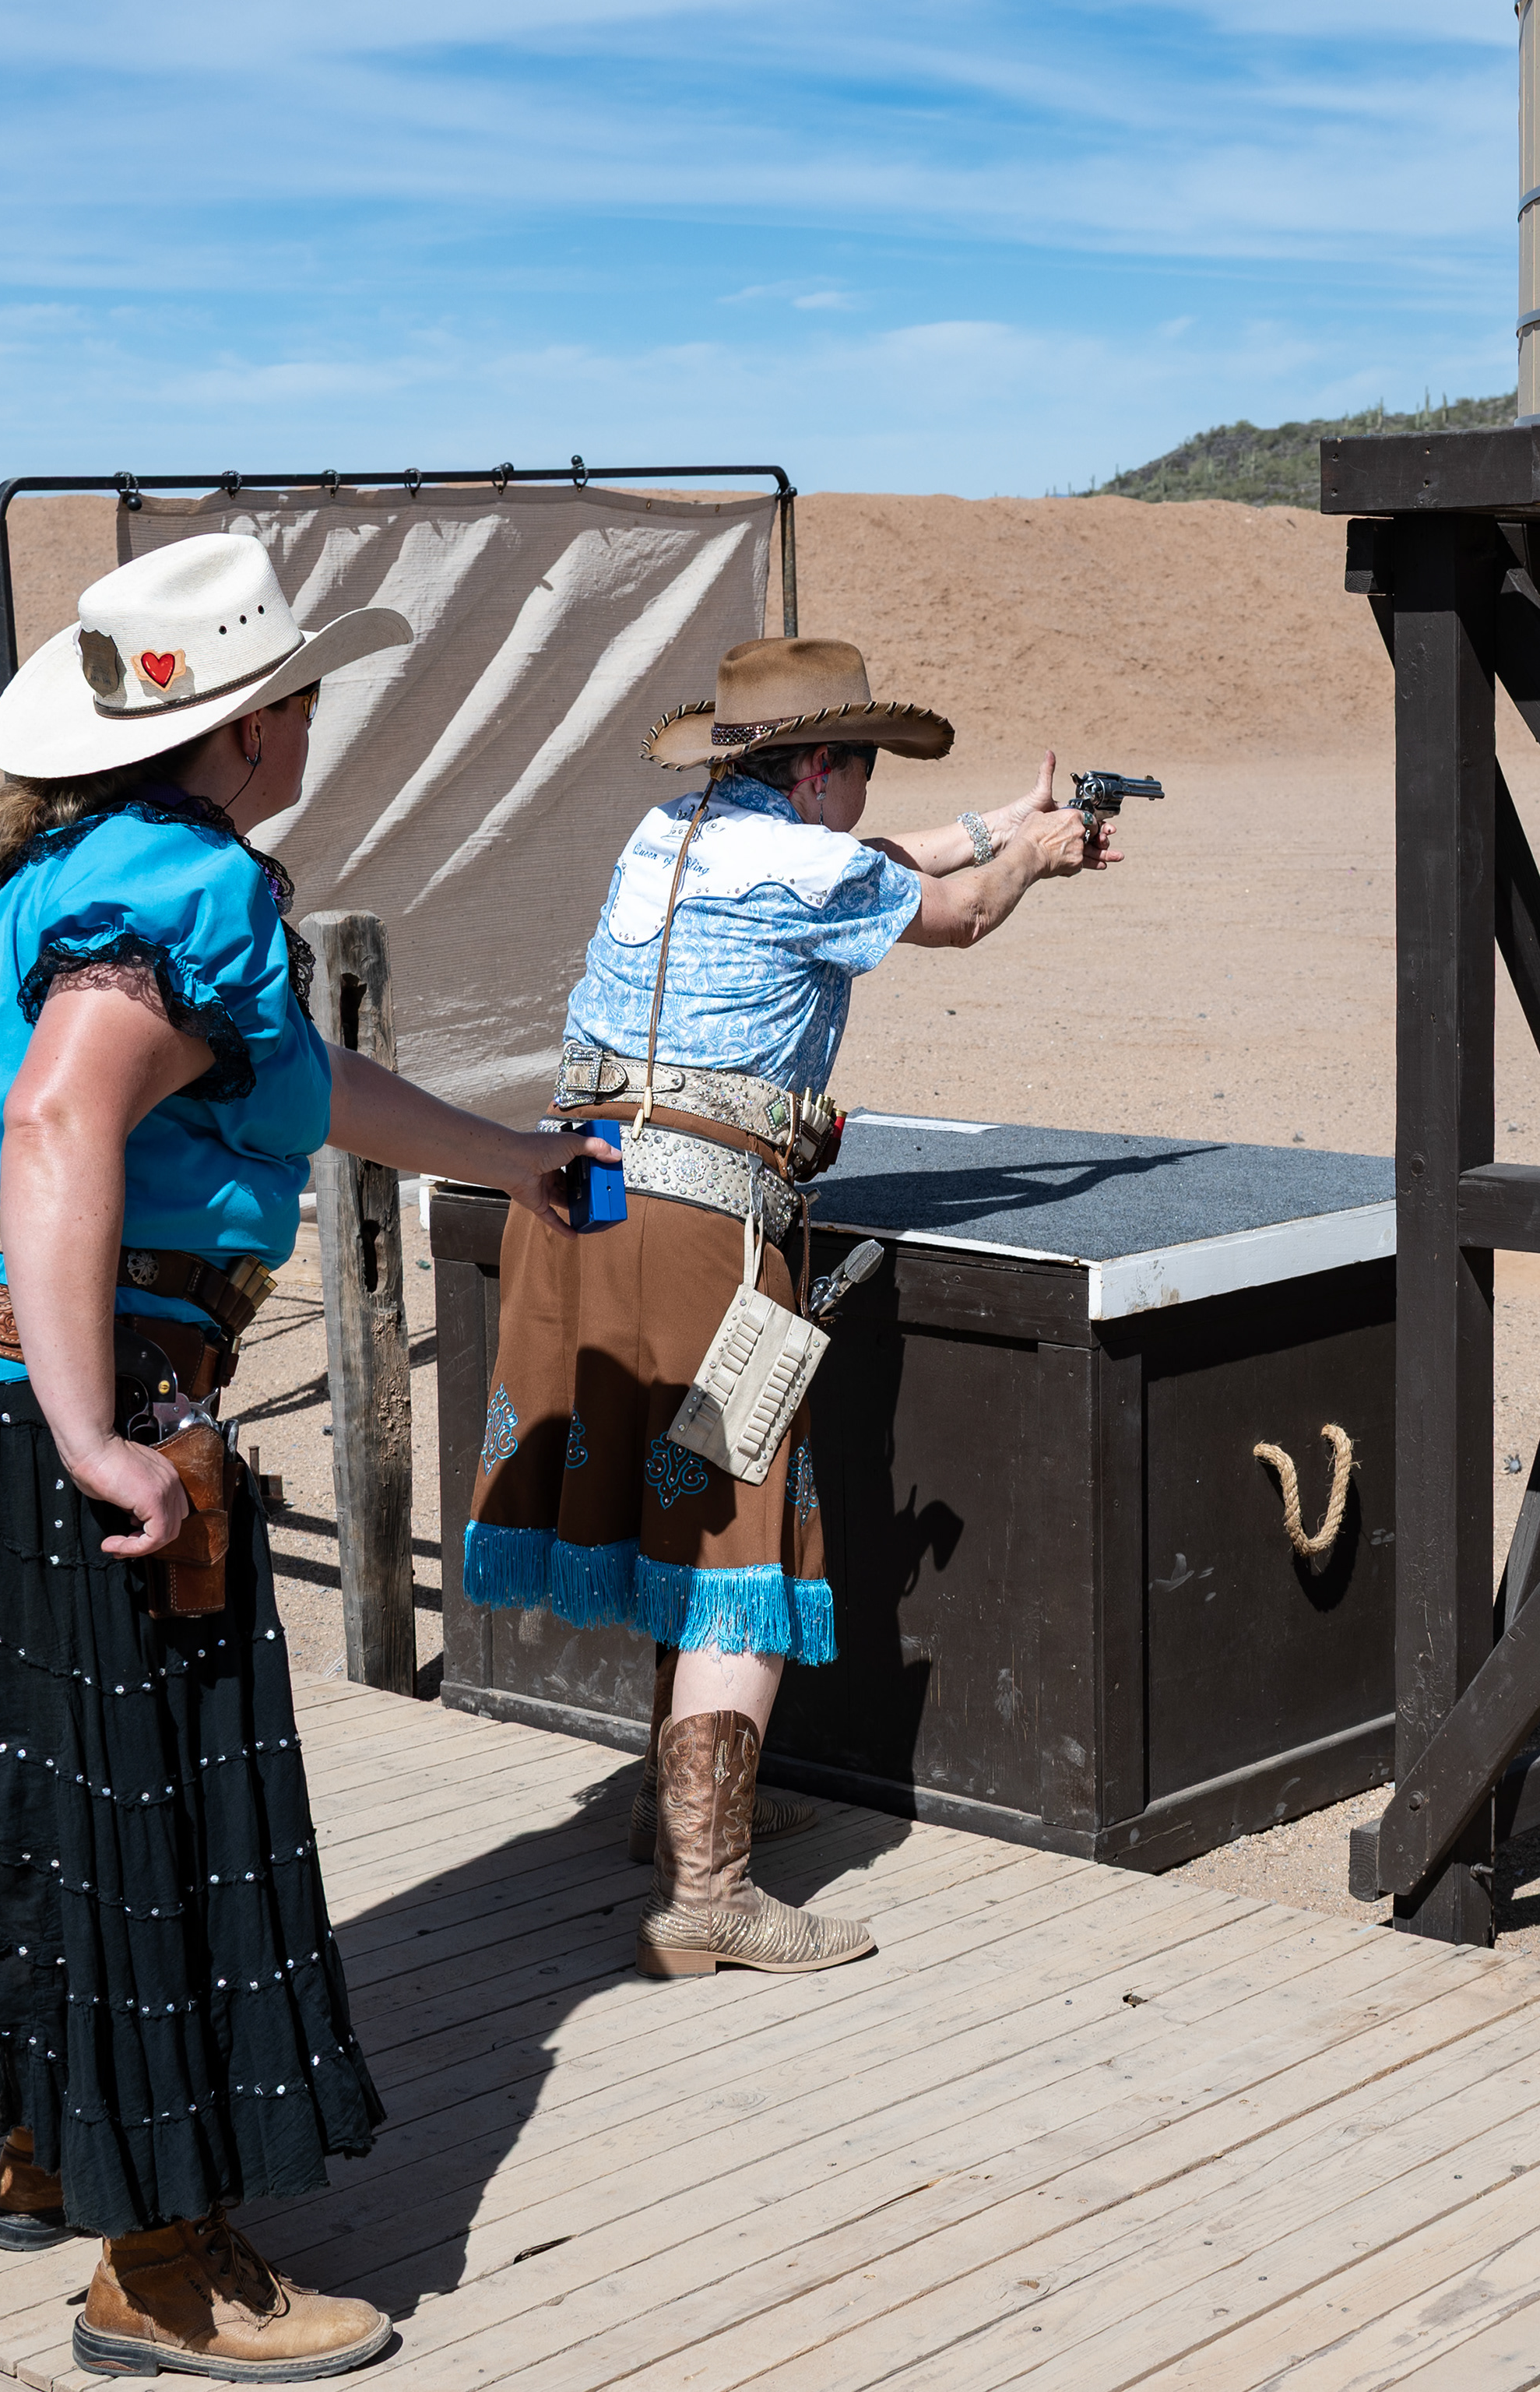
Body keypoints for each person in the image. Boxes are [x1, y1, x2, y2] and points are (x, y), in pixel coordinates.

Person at [0, 533, 612, 2383]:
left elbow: (293, 1081)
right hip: (24, 1396)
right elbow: (64, 1119)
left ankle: (58, 2134)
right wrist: (88, 1427)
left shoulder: (58, 873)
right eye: (300, 697)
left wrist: (513, 1162)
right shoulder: (188, 878)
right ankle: (166, 2273)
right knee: (151, 1809)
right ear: (254, 725)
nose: (311, 724)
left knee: (17, 1786)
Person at [463, 635, 1111, 1978]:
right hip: (694, 1227)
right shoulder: (813, 865)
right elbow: (952, 914)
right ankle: (709, 1896)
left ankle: (674, 1813)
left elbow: (878, 860)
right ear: (817, 767)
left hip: (583, 1197)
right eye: (860, 764)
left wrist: (1002, 820)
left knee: (675, 1502)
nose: (868, 789)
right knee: (736, 1529)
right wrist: (1035, 861)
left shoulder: (672, 834)